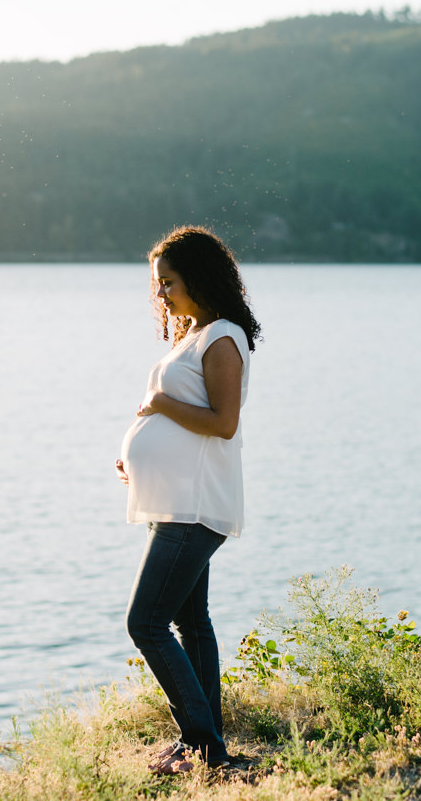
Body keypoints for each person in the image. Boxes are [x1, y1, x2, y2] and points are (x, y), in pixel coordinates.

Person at [116, 225, 261, 775]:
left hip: (196, 508)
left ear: (198, 277)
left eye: (168, 282)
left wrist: (156, 403)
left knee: (145, 622)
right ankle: (209, 740)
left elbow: (223, 424)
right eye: (156, 284)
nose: (160, 294)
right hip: (177, 502)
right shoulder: (194, 333)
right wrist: (139, 457)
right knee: (189, 621)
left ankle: (202, 745)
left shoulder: (221, 337)